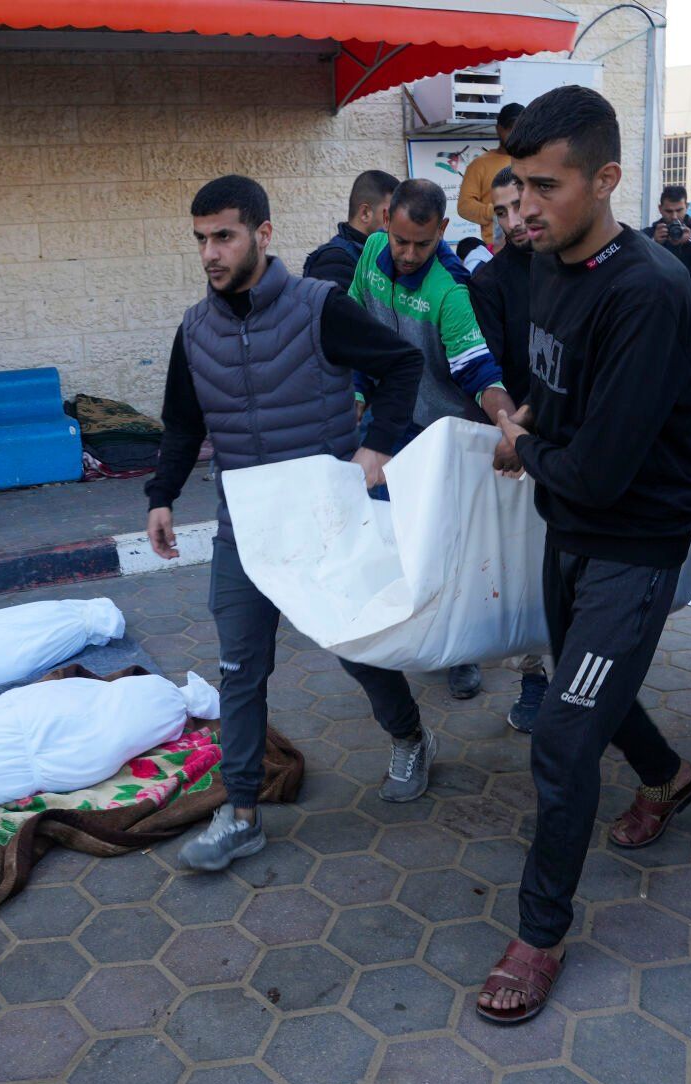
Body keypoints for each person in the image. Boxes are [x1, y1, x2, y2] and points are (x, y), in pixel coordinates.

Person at [478, 87, 691, 1023]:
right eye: (513, 185)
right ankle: (670, 778)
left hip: (631, 543)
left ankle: (539, 934)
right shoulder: (543, 266)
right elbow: (554, 383)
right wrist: (526, 411)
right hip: (568, 530)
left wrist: (519, 446)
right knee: (587, 688)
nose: (522, 207)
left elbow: (604, 472)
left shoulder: (649, 290)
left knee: (565, 734)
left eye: (544, 186)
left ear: (606, 179)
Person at [146, 175, 427, 871]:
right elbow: (183, 423)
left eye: (224, 236)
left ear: (262, 234)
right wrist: (160, 495)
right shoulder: (194, 329)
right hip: (244, 530)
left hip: (325, 522)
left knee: (356, 648)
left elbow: (401, 366)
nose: (210, 253)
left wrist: (375, 449)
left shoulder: (317, 307)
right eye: (201, 239)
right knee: (240, 668)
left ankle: (409, 735)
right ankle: (240, 812)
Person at [348, 178, 509, 702]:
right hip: (391, 421)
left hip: (443, 433)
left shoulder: (451, 290)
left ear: (442, 230)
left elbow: (479, 372)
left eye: (423, 243)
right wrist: (353, 389)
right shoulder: (372, 251)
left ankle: (460, 654)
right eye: (401, 241)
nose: (410, 254)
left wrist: (508, 425)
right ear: (385, 222)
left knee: (446, 549)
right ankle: (391, 635)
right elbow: (352, 319)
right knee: (385, 532)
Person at [466, 166, 551, 733]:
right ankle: (536, 680)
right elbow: (490, 367)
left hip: (581, 439)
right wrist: (514, 429)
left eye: (518, 205)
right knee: (528, 566)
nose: (513, 221)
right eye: (500, 212)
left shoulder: (574, 260)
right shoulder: (490, 280)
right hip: (522, 442)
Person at [303, 170, 399, 292]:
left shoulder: (381, 253)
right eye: (390, 216)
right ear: (365, 213)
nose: (398, 225)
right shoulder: (333, 263)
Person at [457, 103, 525, 245]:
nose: (514, 133)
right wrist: (497, 212)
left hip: (535, 248)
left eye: (519, 128)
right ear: (498, 129)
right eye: (509, 128)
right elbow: (465, 206)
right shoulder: (479, 165)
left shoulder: (535, 160)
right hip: (497, 248)